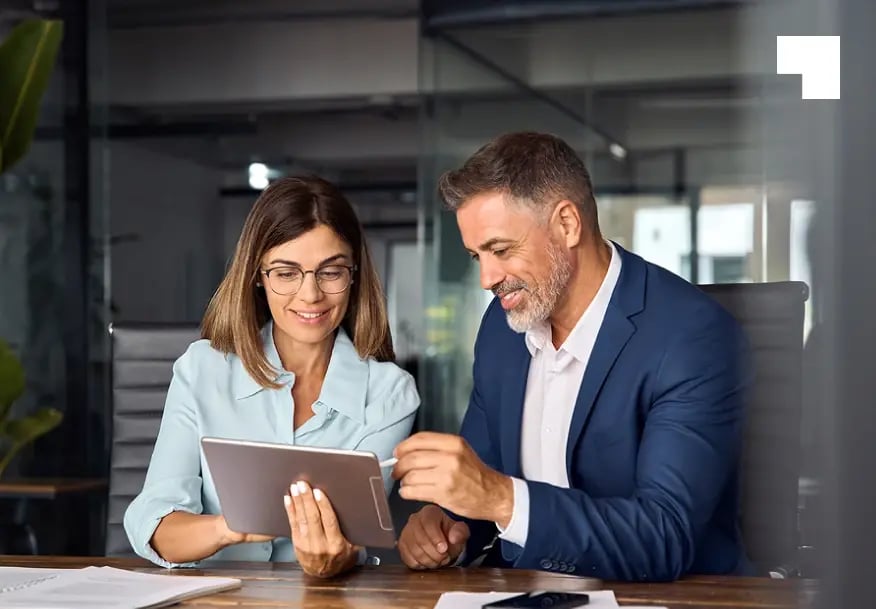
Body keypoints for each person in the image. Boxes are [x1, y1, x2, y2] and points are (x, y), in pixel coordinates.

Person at [393, 132, 752, 581]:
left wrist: (502, 500)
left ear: (567, 223)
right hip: (520, 590)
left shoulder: (692, 337)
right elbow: (483, 485)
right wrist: (445, 526)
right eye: (476, 256)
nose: (486, 278)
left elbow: (665, 537)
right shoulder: (501, 330)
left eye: (501, 250)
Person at [124, 176, 419, 577]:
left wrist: (333, 560)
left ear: (354, 275)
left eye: (330, 272)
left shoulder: (390, 394)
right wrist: (230, 528)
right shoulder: (202, 370)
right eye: (286, 273)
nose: (310, 295)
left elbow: (354, 538)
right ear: (258, 276)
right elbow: (156, 524)